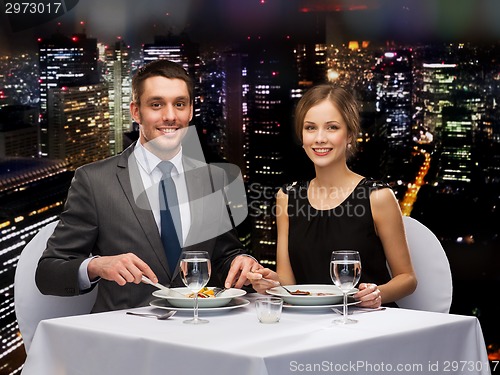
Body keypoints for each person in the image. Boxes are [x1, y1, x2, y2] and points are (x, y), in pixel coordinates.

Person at [35, 59, 260, 312]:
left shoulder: (211, 178)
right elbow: (48, 273)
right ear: (135, 112)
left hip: (198, 333)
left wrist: (243, 262)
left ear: (191, 110)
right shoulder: (94, 181)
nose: (170, 116)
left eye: (179, 104)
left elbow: (223, 257)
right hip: (125, 338)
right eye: (156, 105)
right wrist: (96, 265)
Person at [247, 84, 417, 308]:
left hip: (366, 323)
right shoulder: (286, 197)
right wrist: (271, 283)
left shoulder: (377, 196)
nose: (319, 138)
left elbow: (407, 279)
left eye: (332, 128)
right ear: (302, 136)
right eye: (310, 128)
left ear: (349, 135)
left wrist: (377, 293)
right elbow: (289, 282)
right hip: (308, 322)